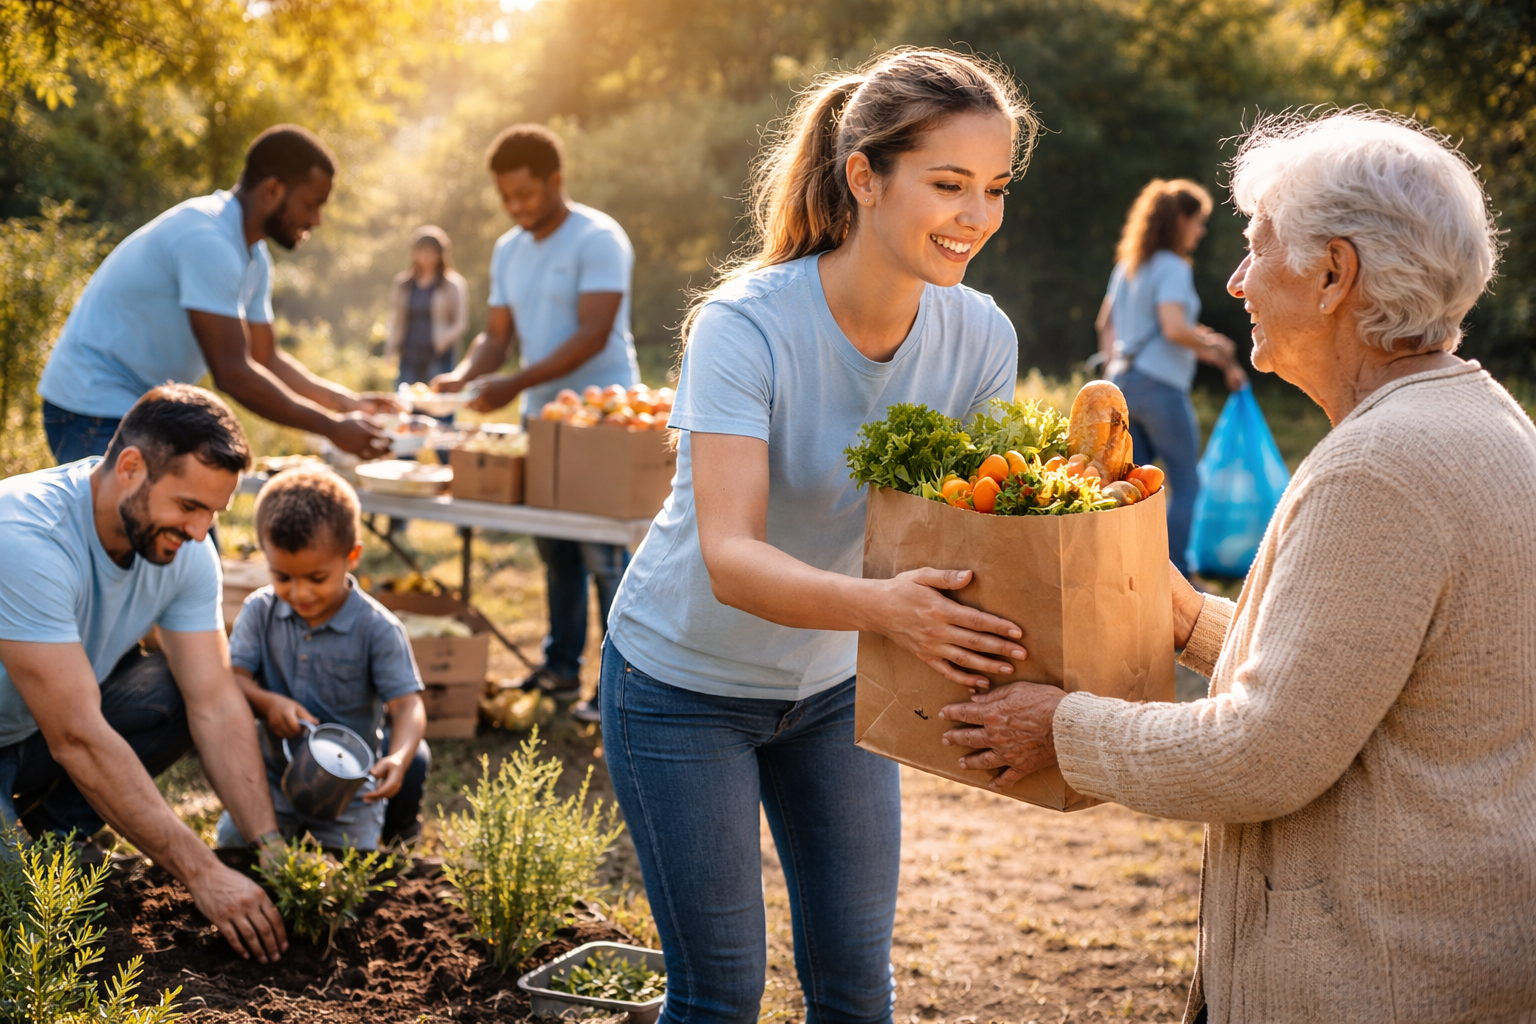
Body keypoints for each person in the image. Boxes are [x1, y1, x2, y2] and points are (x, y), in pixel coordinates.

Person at [939, 112, 1535, 1023]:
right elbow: (1362, 684)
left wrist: (1059, 729)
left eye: (1258, 249)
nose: (1236, 279)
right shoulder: (1478, 422)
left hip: (1375, 978)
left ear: (1335, 274)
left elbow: (1265, 754)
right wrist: (1189, 625)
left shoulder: (1379, 470)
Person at [599, 49, 1037, 1022]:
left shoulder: (981, 338)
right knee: (719, 997)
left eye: (995, 189)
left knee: (853, 991)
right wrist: (890, 611)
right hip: (681, 687)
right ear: (865, 177)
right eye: (949, 184)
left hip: (838, 690)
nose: (977, 215)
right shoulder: (744, 326)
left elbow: (971, 534)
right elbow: (732, 558)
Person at [0, 384, 289, 964]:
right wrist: (202, 872)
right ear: (130, 467)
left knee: (180, 690)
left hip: (28, 733)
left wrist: (271, 845)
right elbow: (78, 738)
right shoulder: (25, 538)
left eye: (214, 511)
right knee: (22, 926)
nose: (202, 531)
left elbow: (215, 702)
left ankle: (51, 837)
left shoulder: (187, 550)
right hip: (54, 731)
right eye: (188, 506)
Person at [433, 124, 639, 724]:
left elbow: (592, 333)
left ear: (555, 180)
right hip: (538, 419)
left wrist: (513, 384)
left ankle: (616, 684)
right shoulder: (508, 249)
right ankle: (559, 666)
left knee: (605, 555)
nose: (516, 207)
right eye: (506, 197)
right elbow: (496, 337)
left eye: (525, 194)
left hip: (599, 422)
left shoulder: (598, 238)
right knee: (555, 550)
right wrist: (465, 378)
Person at [38, 124, 391, 465]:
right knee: (155, 519)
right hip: (91, 406)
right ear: (272, 191)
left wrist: (347, 404)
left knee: (191, 522)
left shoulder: (253, 257)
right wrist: (331, 428)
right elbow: (234, 375)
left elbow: (266, 357)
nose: (316, 220)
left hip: (141, 408)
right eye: (311, 204)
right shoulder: (209, 240)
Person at [215, 466, 428, 851]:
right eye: (282, 577)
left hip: (349, 789)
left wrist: (397, 758)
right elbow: (234, 677)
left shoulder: (377, 628)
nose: (299, 593)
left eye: (316, 578)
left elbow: (407, 704)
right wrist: (267, 702)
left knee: (350, 878)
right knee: (234, 849)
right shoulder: (259, 612)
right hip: (272, 780)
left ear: (352, 557)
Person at [1094, 179, 1247, 578]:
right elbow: (1175, 327)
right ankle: (1176, 576)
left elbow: (1105, 323)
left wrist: (1119, 363)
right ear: (1180, 220)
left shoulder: (1128, 265)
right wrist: (1216, 344)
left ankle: (1121, 569)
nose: (1201, 231)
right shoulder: (1174, 267)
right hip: (1161, 388)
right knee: (1184, 482)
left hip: (1122, 383)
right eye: (1198, 222)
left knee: (1129, 486)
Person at [386, 225, 469, 388]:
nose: (425, 257)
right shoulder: (403, 284)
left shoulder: (452, 284)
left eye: (431, 252)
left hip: (439, 356)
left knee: (440, 405)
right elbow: (395, 319)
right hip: (409, 356)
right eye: (421, 251)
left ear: (440, 254)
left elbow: (461, 323)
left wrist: (441, 342)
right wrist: (390, 348)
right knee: (407, 406)